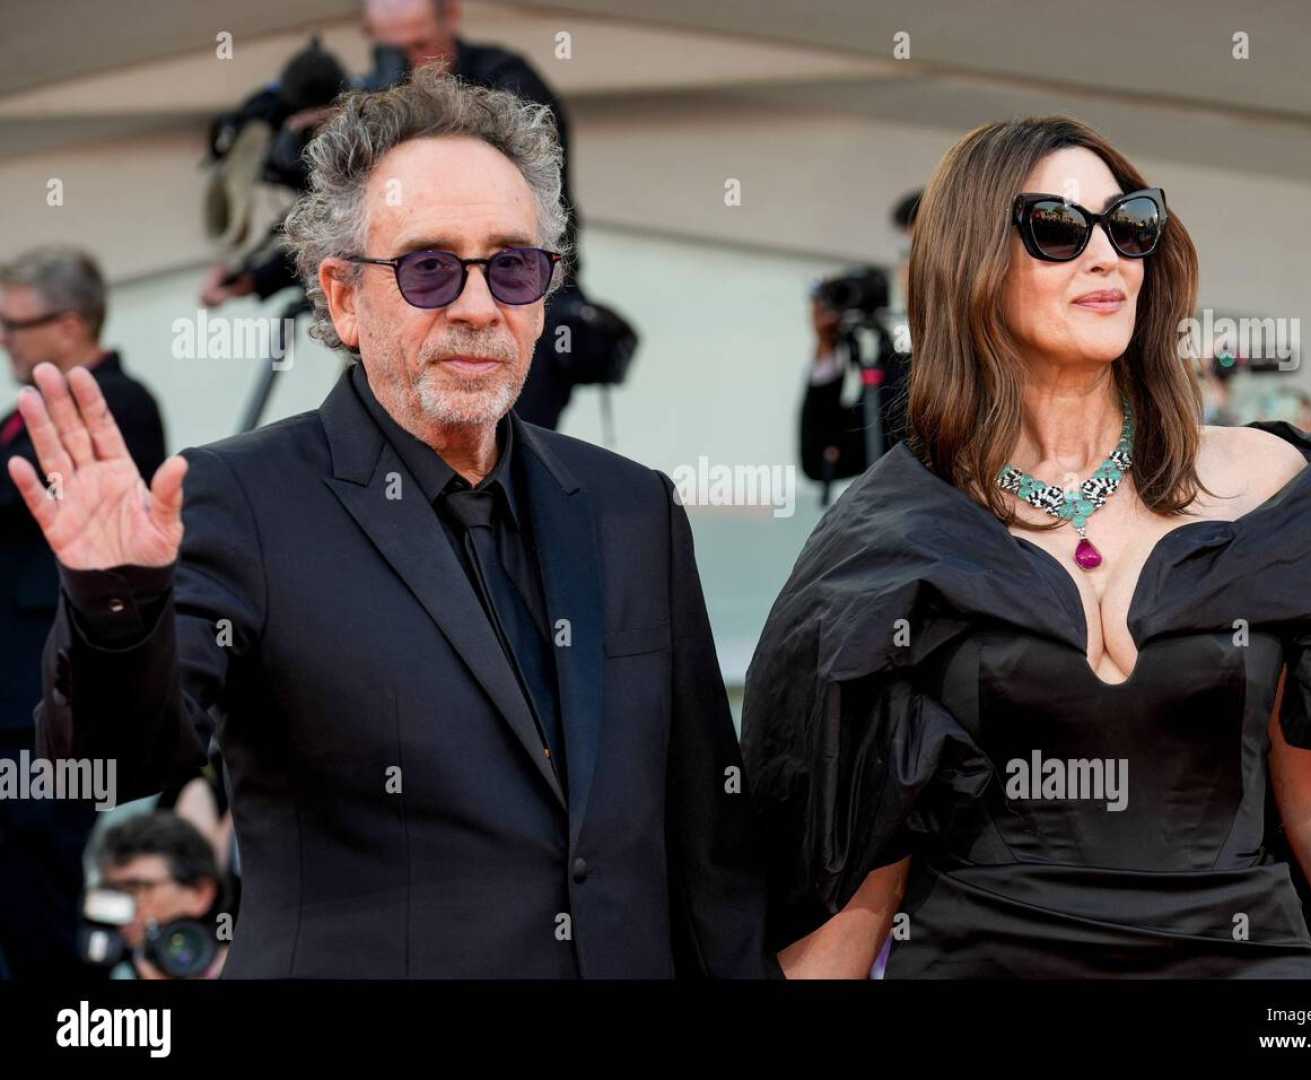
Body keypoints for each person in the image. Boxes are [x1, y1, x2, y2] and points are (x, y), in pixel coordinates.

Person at [12, 67, 771, 979]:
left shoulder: (631, 508)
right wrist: (115, 603)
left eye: (512, 266)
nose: (478, 305)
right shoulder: (240, 499)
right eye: (429, 268)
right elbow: (119, 764)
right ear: (342, 299)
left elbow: (709, 848)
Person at [741, 116, 1311, 978]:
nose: (1106, 255)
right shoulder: (891, 535)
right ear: (971, 263)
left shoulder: (1272, 487)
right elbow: (862, 863)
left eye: (1130, 225)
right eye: (1057, 228)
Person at [201, 0, 585, 429]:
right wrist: (256, 278)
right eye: (391, 50)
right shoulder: (374, 104)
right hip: (416, 322)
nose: (409, 63)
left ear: (451, 17)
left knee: (503, 466)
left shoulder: (507, 83)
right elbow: (354, 227)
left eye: (419, 44)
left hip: (518, 313)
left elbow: (516, 217)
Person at [0, 247, 166, 982]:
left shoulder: (116, 404)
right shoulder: (25, 414)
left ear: (69, 326)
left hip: (52, 698)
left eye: (16, 324)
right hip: (14, 696)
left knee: (44, 881)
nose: (6, 338)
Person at [799, 191, 918, 490]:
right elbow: (824, 458)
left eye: (922, 252)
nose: (908, 270)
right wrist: (828, 347)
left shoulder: (999, 351)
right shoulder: (895, 354)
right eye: (905, 254)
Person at [96, 812, 229, 980]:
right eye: (113, 892)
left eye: (138, 888)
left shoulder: (251, 967)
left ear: (200, 892)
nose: (121, 907)